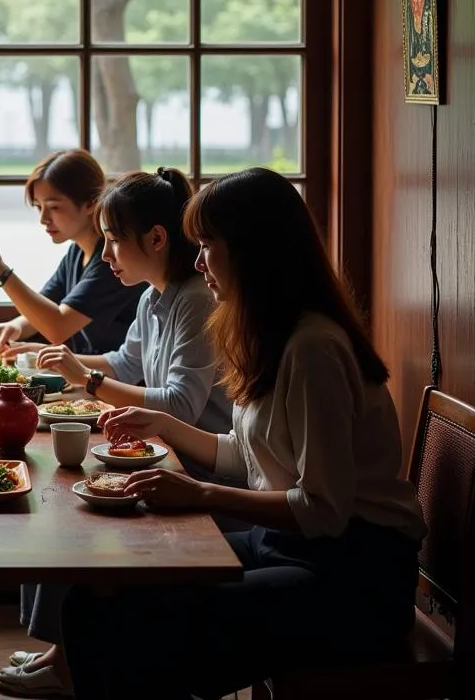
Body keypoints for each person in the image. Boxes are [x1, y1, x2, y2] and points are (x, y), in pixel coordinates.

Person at [60, 168, 427, 700]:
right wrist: (165, 425)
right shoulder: (265, 332)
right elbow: (250, 457)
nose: (198, 258)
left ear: (255, 248)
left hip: (351, 575)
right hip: (288, 546)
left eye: (208, 244)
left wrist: (201, 493)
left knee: (141, 629)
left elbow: (322, 507)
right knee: (92, 597)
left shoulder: (313, 348)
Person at [0, 167, 231, 699]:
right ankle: (64, 650)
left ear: (155, 238)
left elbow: (182, 406)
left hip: (198, 465)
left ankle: (68, 659)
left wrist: (88, 379)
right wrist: (57, 360)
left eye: (114, 241)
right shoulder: (154, 297)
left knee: (71, 510)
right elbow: (126, 364)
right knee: (58, 494)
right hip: (165, 457)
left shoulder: (196, 300)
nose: (105, 256)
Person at [0, 149, 142, 356]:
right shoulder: (77, 252)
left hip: (119, 383)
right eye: (38, 207)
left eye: (53, 207)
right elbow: (47, 305)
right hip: (89, 378)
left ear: (91, 203)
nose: (43, 218)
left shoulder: (112, 261)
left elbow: (57, 327)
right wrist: (16, 326)